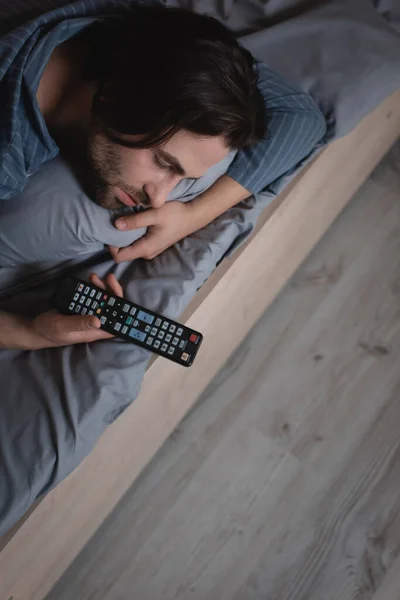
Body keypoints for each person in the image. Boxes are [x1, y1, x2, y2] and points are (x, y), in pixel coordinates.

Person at [0, 1, 326, 350]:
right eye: (165, 163)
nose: (158, 197)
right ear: (116, 97)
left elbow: (300, 117)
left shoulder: (145, 34)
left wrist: (194, 214)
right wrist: (30, 333)